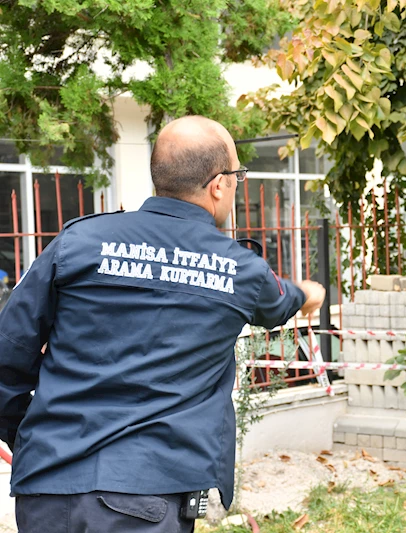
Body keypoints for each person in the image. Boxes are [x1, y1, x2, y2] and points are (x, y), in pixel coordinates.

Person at [0, 116, 326, 532]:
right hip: (144, 500)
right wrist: (309, 293)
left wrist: (32, 439)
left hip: (47, 493)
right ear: (218, 184)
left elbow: (8, 353)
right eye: (238, 176)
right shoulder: (239, 270)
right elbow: (278, 303)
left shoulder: (78, 244)